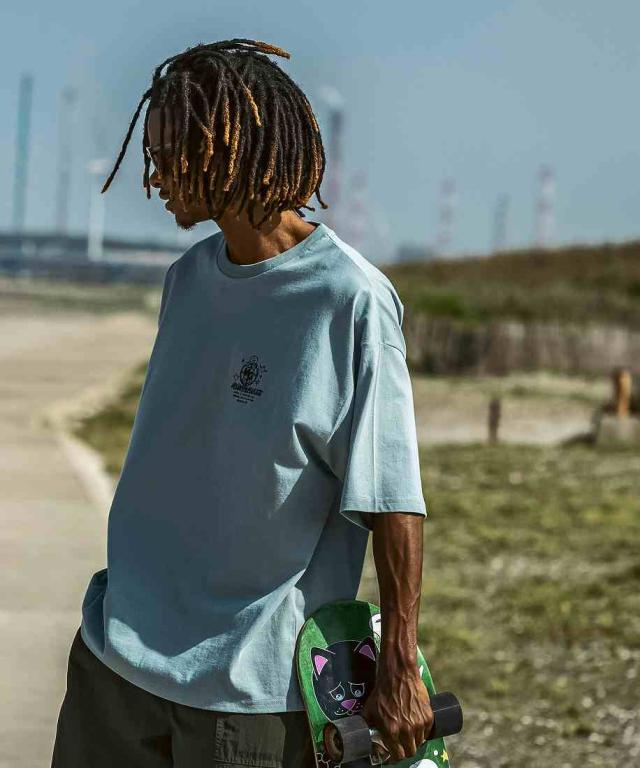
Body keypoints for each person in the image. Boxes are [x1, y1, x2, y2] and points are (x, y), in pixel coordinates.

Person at [51, 38, 433, 767]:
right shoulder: (188, 279)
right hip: (116, 661)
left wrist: (400, 668)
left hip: (247, 692)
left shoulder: (349, 299)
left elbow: (394, 499)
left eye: (169, 154)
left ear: (230, 151)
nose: (154, 175)